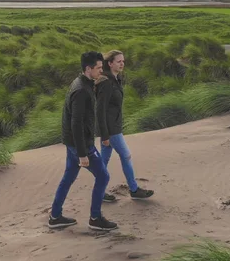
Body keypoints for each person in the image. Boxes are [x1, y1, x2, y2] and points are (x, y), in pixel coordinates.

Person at [48, 51, 119, 231]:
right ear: (88, 69)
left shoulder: (83, 83)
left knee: (68, 176)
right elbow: (76, 124)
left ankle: (55, 216)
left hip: (74, 142)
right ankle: (95, 218)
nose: (101, 72)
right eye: (98, 68)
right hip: (80, 144)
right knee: (103, 176)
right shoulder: (81, 90)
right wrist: (82, 153)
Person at [95, 50, 154, 202]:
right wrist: (105, 135)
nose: (122, 64)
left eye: (123, 61)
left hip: (114, 126)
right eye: (118, 61)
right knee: (126, 155)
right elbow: (100, 110)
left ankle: (99, 193)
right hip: (110, 129)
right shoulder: (106, 82)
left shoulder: (116, 79)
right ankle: (134, 190)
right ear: (110, 63)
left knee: (103, 161)